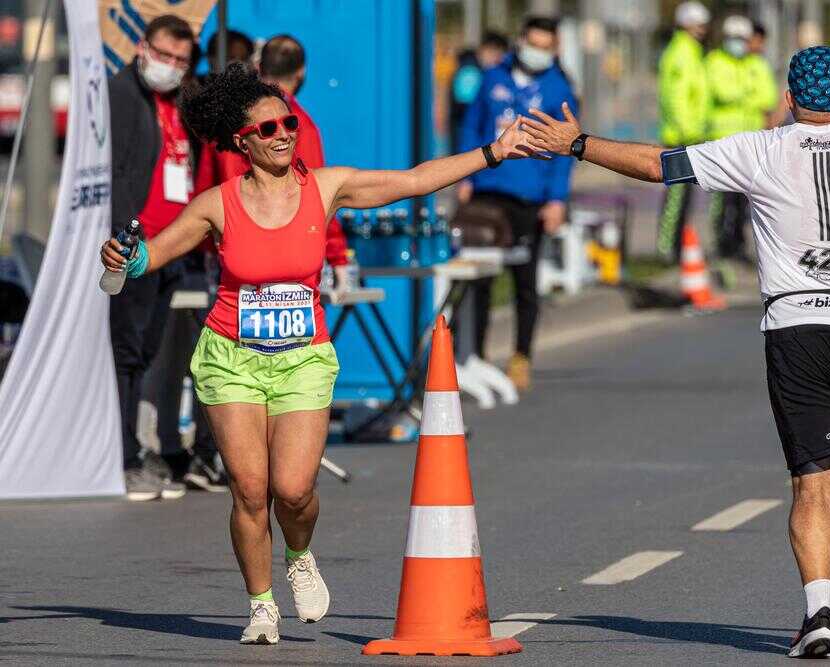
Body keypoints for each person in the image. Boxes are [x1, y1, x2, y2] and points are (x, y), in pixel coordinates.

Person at [521, 45, 830, 658]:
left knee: (812, 480)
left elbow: (657, 165)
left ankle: (819, 609)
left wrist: (578, 145)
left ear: (789, 100)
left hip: (795, 328)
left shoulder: (760, 149)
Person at [100, 63, 538, 645]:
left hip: (302, 359)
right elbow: (150, 256)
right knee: (250, 488)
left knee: (294, 489)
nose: (283, 134)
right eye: (268, 129)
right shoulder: (216, 205)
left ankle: (300, 555)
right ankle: (260, 605)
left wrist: (493, 152)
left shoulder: (326, 188)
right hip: (231, 357)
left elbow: (413, 180)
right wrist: (121, 259)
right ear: (242, 141)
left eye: (288, 124)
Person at [109, 14, 214, 501]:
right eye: (164, 55)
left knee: (147, 352)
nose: (170, 66)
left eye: (180, 60)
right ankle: (124, 456)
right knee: (126, 353)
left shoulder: (177, 102)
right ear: (142, 46)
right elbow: (115, 173)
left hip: (172, 246)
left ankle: (140, 447)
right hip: (134, 246)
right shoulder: (121, 94)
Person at [457, 15, 577, 391]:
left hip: (531, 197)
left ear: (554, 49)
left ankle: (521, 354)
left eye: (546, 46)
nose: (537, 52)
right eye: (533, 43)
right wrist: (463, 173)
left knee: (525, 283)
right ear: (520, 41)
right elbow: (470, 127)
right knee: (479, 280)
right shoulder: (492, 77)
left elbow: (565, 152)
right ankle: (472, 354)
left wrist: (556, 199)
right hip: (488, 191)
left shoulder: (559, 89)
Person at [213, 34, 350, 283]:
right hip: (286, 252)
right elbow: (318, 194)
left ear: (258, 67)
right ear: (301, 72)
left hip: (230, 251)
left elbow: (206, 188)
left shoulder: (231, 118)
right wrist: (338, 256)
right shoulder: (297, 124)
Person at [704, 15, 765, 261]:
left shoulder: (751, 64)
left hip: (748, 141)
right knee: (722, 199)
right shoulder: (715, 62)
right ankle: (720, 244)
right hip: (722, 140)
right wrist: (746, 93)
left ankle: (738, 245)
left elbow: (765, 96)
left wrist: (744, 94)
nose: (739, 44)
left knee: (742, 200)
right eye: (735, 39)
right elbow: (722, 92)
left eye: (743, 39)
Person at [656, 1, 711, 262]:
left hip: (691, 136)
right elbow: (675, 98)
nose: (702, 29)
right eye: (698, 24)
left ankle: (675, 246)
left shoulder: (691, 51)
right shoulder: (680, 53)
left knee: (684, 197)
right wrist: (688, 131)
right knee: (675, 196)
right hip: (681, 137)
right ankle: (667, 247)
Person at [449, 31, 509, 153]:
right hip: (466, 135)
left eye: (500, 54)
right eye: (492, 52)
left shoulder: (491, 74)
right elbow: (468, 108)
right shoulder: (470, 72)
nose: (495, 58)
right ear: (481, 50)